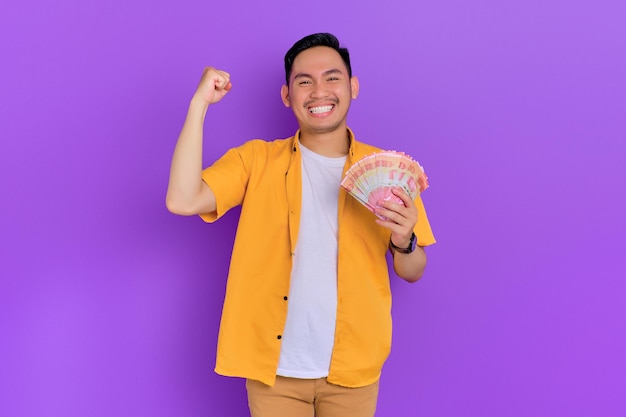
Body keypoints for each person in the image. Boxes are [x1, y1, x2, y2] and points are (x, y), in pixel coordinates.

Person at [166, 33, 435, 417]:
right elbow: (181, 199)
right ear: (286, 96)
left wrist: (404, 239)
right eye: (304, 81)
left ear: (353, 87)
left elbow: (413, 270)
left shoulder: (389, 172)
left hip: (353, 370)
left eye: (332, 77)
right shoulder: (256, 161)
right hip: (274, 373)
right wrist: (198, 106)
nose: (318, 91)